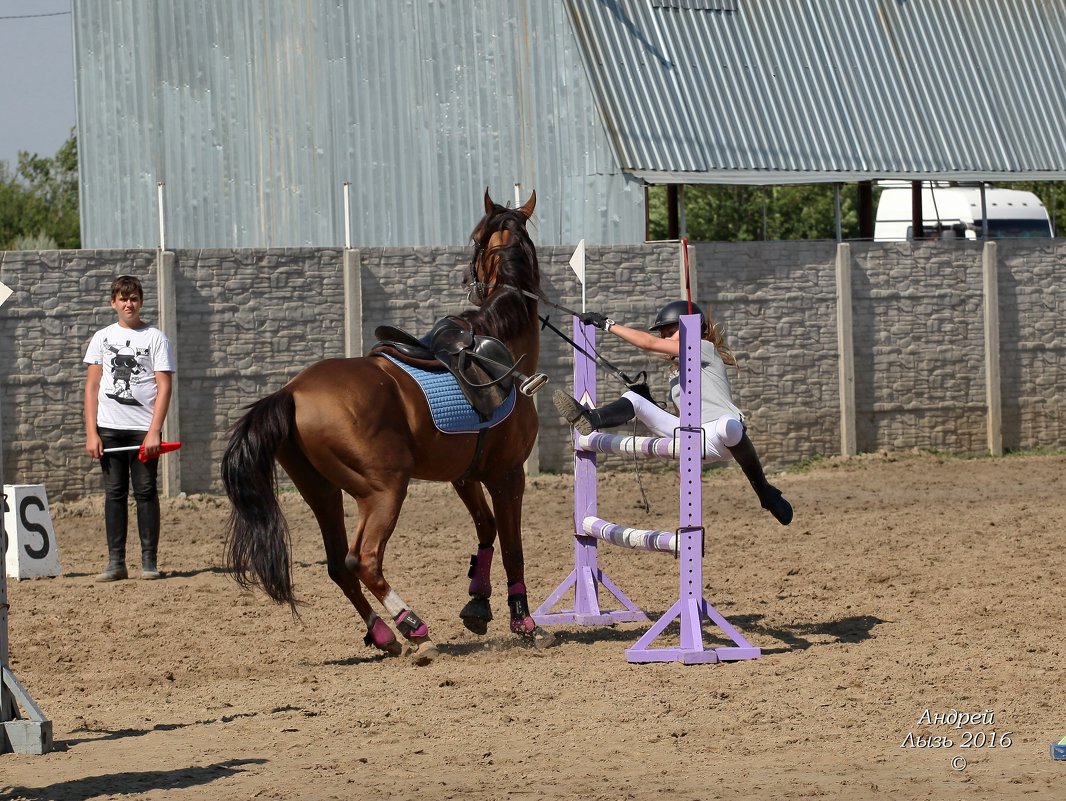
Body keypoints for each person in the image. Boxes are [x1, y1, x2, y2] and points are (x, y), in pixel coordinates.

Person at [553, 299, 793, 526]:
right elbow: (680, 420)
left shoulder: (705, 348)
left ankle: (765, 491)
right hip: (693, 438)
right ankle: (591, 418)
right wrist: (648, 401)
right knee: (634, 399)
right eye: (664, 334)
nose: (666, 338)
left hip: (723, 438)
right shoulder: (675, 376)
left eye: (671, 332)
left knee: (728, 425)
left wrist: (608, 324)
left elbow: (648, 343)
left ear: (693, 329)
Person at [84, 275, 176, 580]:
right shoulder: (101, 338)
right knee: (114, 493)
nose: (128, 304)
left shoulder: (156, 338)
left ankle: (149, 562)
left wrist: (154, 431)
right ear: (113, 303)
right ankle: (116, 562)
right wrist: (91, 432)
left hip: (142, 431)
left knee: (147, 491)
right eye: (123, 299)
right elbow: (92, 386)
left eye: (133, 298)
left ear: (141, 301)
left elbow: (164, 387)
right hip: (109, 429)